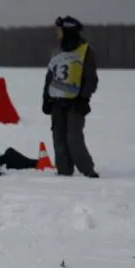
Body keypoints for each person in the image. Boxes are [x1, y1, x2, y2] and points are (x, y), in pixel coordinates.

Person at [42, 16, 99, 178]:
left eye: (59, 31)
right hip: (56, 103)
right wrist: (46, 98)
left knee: (74, 138)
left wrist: (84, 98)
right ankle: (64, 171)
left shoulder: (85, 51)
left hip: (76, 102)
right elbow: (49, 77)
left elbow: (91, 78)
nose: (57, 34)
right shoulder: (56, 52)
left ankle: (87, 169)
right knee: (58, 139)